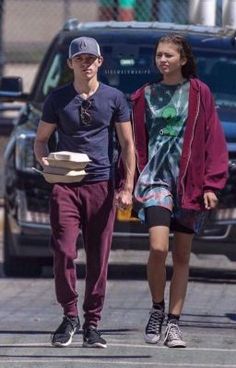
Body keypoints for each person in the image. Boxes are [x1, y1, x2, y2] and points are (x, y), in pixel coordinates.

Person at [34, 36, 135, 348]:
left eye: (91, 59)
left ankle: (92, 323)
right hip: (66, 186)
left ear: (100, 62)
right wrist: (46, 163)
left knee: (98, 258)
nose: (86, 63)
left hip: (101, 186)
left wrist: (126, 186)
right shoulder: (57, 99)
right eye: (80, 59)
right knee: (64, 250)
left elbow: (128, 145)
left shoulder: (115, 98)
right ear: (70, 64)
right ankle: (69, 315)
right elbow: (41, 140)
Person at [131, 33, 228, 348]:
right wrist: (127, 182)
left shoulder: (200, 93)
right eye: (159, 55)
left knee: (183, 255)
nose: (162, 60)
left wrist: (212, 184)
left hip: (189, 183)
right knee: (158, 248)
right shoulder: (144, 96)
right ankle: (157, 308)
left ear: (183, 59)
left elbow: (214, 140)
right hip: (156, 181)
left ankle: (174, 323)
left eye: (169, 55)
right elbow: (133, 143)